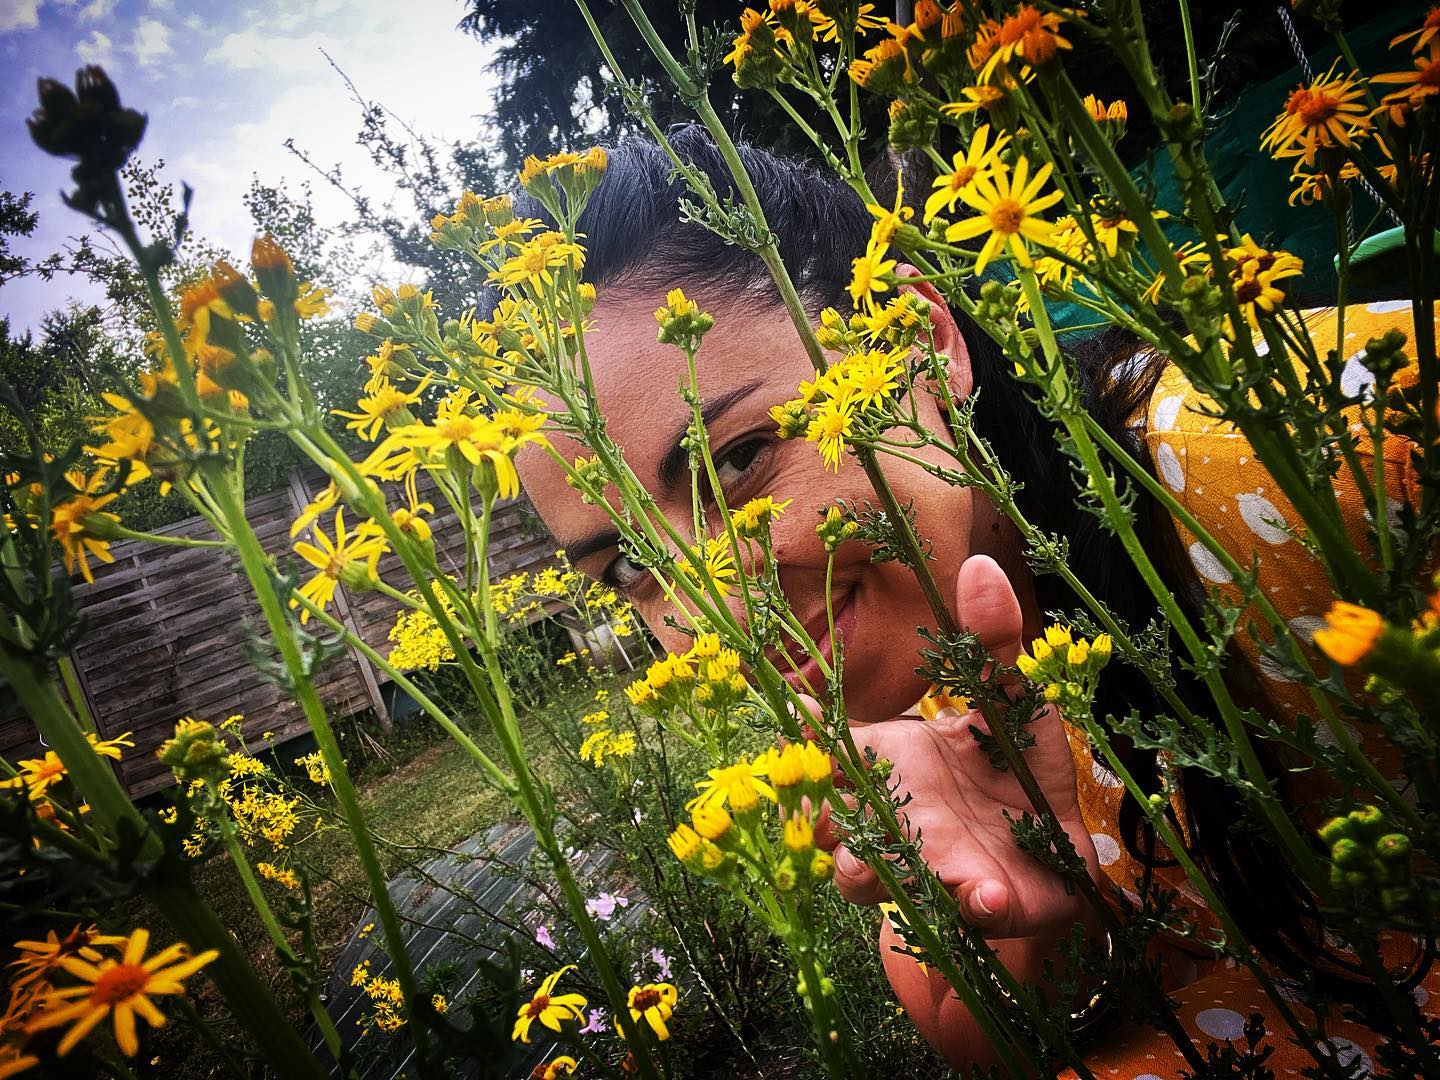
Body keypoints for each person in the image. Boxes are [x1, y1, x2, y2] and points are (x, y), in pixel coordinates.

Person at [510, 127, 1436, 1075]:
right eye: (630, 563)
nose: (723, 621)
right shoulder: (917, 698)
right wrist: (1039, 916)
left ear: (922, 342)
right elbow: (973, 1041)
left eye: (742, 458)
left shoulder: (1313, 462)